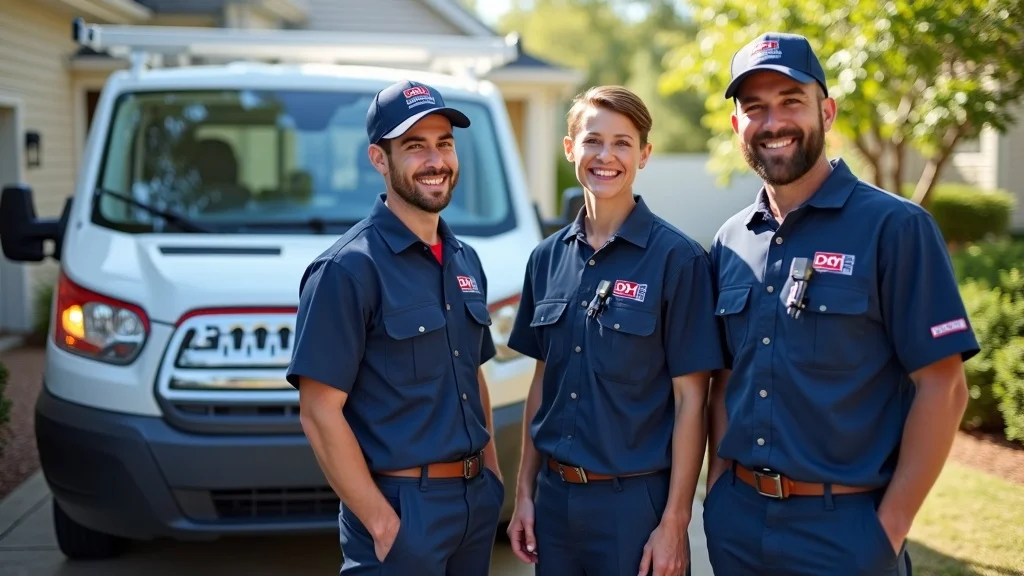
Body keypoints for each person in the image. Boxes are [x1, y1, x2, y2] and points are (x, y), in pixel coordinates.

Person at [703, 32, 981, 576]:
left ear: (826, 112)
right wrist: (717, 492)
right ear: (737, 125)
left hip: (846, 533)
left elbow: (944, 386)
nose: (773, 122)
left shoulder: (896, 227)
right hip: (737, 524)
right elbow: (724, 381)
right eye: (754, 108)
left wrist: (888, 529)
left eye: (791, 102)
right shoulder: (730, 241)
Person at [285, 79, 505, 575]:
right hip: (403, 510)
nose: (435, 161)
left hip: (473, 506)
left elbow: (474, 375)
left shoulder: (465, 260)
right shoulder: (346, 270)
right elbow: (319, 411)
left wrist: (491, 476)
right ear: (379, 160)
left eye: (444, 143)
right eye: (414, 146)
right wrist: (382, 524)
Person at [504, 85, 724, 576]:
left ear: (644, 154)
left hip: (635, 506)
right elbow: (544, 382)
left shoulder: (678, 260)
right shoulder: (546, 258)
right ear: (570, 149)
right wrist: (524, 493)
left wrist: (674, 521)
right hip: (555, 503)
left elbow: (693, 400)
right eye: (593, 140)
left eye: (623, 143)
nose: (606, 156)